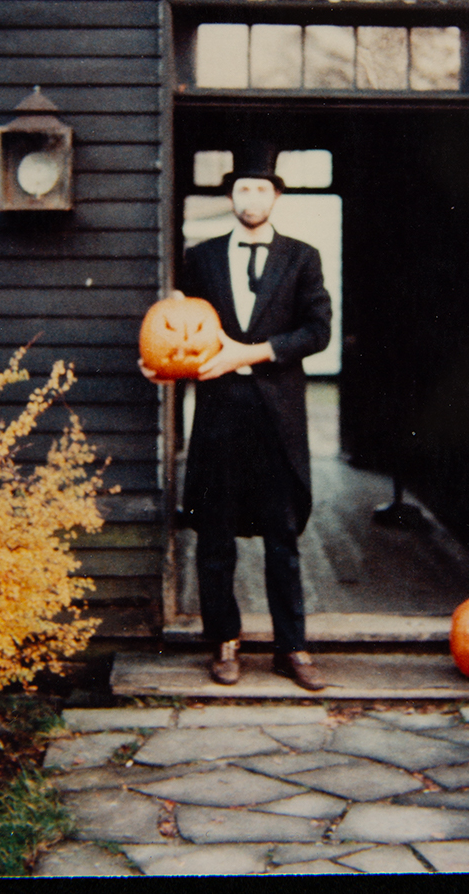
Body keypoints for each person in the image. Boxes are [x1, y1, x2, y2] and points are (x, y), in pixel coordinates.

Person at [140, 144, 332, 690]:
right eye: (243, 188)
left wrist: (250, 353)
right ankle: (224, 643)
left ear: (276, 196)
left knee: (282, 534)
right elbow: (180, 329)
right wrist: (158, 366)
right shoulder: (199, 258)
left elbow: (318, 332)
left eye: (262, 188)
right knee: (214, 532)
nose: (252, 197)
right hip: (220, 414)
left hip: (278, 416)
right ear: (231, 197)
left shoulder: (302, 257)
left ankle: (291, 648)